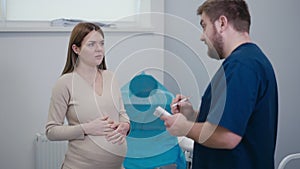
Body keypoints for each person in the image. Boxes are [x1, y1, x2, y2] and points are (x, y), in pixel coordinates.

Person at [160, 0, 278, 169]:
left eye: (204, 25)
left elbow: (228, 136)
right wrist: (192, 114)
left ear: (222, 23)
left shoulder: (242, 66)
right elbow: (232, 119)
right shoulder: (249, 61)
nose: (202, 36)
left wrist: (185, 127)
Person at [45, 22, 130, 169]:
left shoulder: (110, 77)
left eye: (101, 44)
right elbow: (51, 131)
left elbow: (122, 113)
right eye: (91, 44)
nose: (99, 49)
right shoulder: (65, 83)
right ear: (76, 49)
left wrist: (125, 126)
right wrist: (86, 128)